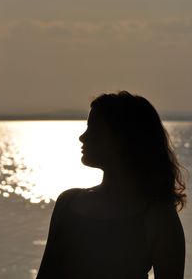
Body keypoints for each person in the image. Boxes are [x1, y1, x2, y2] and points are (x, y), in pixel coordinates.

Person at [36, 90, 186, 279]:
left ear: (123, 140)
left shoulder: (158, 216)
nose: (83, 137)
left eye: (93, 129)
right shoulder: (67, 202)